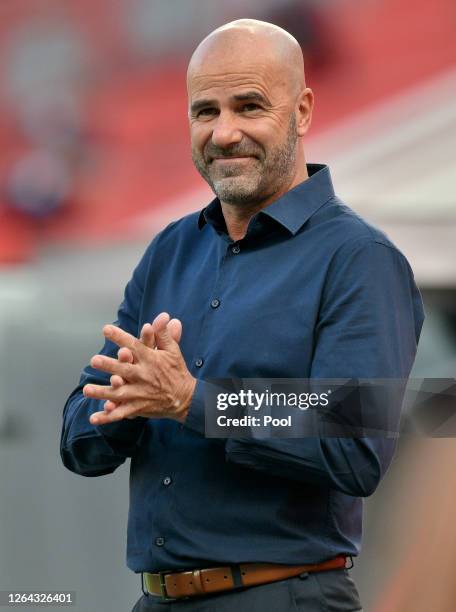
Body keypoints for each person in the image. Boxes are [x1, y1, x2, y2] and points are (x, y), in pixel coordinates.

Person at [60, 19, 424, 611]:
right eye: (205, 112)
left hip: (283, 596)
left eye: (249, 106)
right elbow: (80, 441)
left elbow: (354, 440)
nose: (224, 133)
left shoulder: (360, 259)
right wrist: (125, 404)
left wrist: (191, 401)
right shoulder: (169, 250)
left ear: (302, 111)